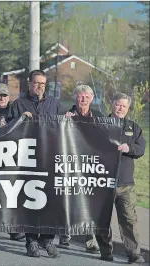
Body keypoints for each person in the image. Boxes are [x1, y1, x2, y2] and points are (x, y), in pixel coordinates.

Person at [11, 70, 63, 258]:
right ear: (29, 84)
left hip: (49, 159)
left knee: (50, 202)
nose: (39, 87)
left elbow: (64, 130)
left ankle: (47, 239)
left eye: (42, 83)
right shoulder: (18, 104)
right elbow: (9, 131)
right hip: (28, 160)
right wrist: (19, 119)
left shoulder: (55, 104)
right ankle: (31, 241)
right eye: (36, 83)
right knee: (31, 202)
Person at [95, 92, 146, 264]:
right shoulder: (100, 125)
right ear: (112, 104)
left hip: (125, 184)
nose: (121, 108)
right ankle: (105, 251)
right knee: (102, 219)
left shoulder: (134, 127)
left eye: (124, 106)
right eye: (118, 105)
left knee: (129, 220)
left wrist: (128, 148)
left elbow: (141, 149)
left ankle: (134, 254)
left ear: (128, 108)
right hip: (103, 182)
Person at [59, 84, 104, 252]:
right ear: (75, 98)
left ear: (92, 98)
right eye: (80, 96)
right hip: (69, 165)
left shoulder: (99, 117)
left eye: (87, 96)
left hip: (90, 167)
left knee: (89, 205)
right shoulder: (64, 115)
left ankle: (90, 241)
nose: (84, 99)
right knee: (67, 201)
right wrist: (64, 122)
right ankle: (65, 236)